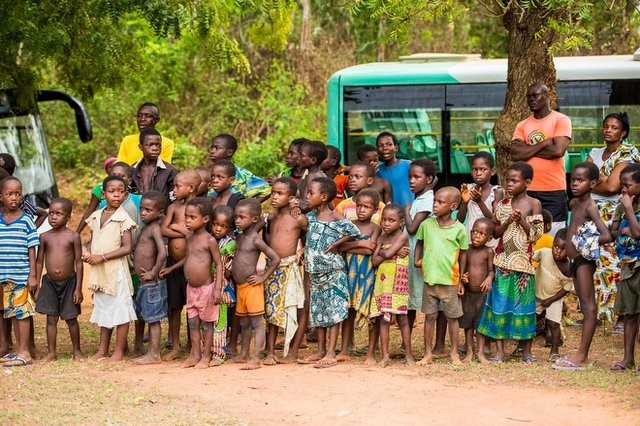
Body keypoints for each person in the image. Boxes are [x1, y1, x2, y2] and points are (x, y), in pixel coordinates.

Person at [476, 162, 543, 364]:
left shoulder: (533, 204)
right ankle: (500, 351)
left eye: (515, 181)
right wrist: (507, 220)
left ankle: (526, 351)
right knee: (500, 305)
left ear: (527, 182)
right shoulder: (504, 204)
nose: (510, 184)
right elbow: (495, 232)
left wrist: (521, 220)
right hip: (503, 263)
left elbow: (536, 235)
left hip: (523, 265)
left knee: (524, 307)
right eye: (508, 180)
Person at [552, 162, 612, 371]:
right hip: (575, 261)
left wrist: (585, 243)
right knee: (584, 306)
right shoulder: (575, 203)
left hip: (584, 261)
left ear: (593, 183)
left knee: (588, 307)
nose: (575, 184)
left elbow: (607, 235)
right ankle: (580, 354)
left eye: (581, 180)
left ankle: (581, 357)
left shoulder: (590, 206)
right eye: (573, 180)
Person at [299, 177, 360, 368]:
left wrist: (336, 244)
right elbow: (299, 221)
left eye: (311, 193)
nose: (307, 197)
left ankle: (331, 352)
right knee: (319, 312)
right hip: (315, 273)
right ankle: (320, 350)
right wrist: (296, 206)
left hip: (333, 271)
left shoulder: (335, 217)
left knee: (334, 312)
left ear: (324, 196)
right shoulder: (310, 217)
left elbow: (353, 231)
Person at [587, 112, 640, 327]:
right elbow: (583, 178)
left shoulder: (628, 152)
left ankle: (619, 315)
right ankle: (596, 314)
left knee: (613, 262)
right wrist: (601, 180)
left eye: (614, 127)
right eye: (605, 126)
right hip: (591, 210)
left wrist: (597, 180)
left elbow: (612, 187)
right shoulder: (595, 151)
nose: (608, 130)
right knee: (591, 262)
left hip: (616, 212)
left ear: (623, 132)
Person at [161, 197, 224, 369]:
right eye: (186, 217)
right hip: (191, 289)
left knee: (208, 324)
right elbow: (188, 258)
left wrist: (217, 288)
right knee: (193, 323)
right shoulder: (189, 236)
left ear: (204, 219)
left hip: (206, 289)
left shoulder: (209, 240)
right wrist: (172, 268)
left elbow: (218, 264)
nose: (187, 221)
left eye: (191, 217)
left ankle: (206, 355)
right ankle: (194, 354)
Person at [83, 175, 137, 363]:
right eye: (112, 192)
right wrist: (89, 253)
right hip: (100, 272)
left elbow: (127, 247)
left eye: (120, 192)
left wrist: (102, 257)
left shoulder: (124, 218)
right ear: (103, 194)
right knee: (104, 308)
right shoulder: (97, 216)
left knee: (120, 311)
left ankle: (119, 352)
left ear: (125, 194)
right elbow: (95, 240)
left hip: (116, 272)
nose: (116, 195)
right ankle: (102, 350)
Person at [415, 187, 468, 365]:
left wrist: (461, 279)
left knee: (453, 318)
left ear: (453, 206)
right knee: (429, 317)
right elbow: (419, 243)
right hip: (430, 280)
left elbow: (464, 254)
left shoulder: (459, 229)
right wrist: (417, 260)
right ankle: (428, 353)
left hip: (450, 281)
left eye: (440, 202)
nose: (435, 205)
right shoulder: (426, 225)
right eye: (435, 201)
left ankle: (454, 353)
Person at [511, 83, 572, 234]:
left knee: (554, 236)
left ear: (547, 96)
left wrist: (527, 149)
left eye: (535, 95)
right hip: (527, 190)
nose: (531, 99)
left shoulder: (561, 120)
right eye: (528, 97)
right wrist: (544, 143)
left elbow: (558, 150)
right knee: (525, 235)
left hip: (554, 190)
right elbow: (516, 155)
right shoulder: (522, 125)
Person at [230, 199, 281, 370]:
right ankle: (244, 354)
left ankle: (256, 357)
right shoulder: (240, 237)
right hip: (241, 288)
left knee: (257, 323)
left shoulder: (255, 239)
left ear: (254, 219)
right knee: (244, 323)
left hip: (252, 287)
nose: (237, 220)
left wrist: (263, 277)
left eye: (241, 217)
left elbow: (275, 258)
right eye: (236, 217)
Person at [263, 178, 308, 364]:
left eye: (280, 194)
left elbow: (309, 234)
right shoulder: (271, 218)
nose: (274, 196)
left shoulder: (298, 218)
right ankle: (270, 352)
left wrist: (303, 249)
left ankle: (293, 351)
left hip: (289, 268)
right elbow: (267, 241)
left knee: (293, 307)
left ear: (291, 198)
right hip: (272, 269)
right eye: (273, 192)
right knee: (271, 310)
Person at [34, 198, 84, 362]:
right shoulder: (44, 237)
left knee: (71, 318)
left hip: (69, 283)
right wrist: (38, 283)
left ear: (68, 217)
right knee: (51, 318)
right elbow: (40, 261)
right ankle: (51, 353)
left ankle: (77, 351)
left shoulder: (73, 237)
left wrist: (78, 288)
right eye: (51, 213)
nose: (53, 217)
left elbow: (78, 263)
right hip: (49, 282)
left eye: (59, 214)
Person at [161, 170, 202, 360]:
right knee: (175, 305)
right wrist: (183, 231)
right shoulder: (173, 207)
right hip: (173, 263)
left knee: (194, 305)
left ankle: (193, 345)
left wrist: (178, 229)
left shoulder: (200, 208)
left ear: (191, 188)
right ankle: (175, 345)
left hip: (193, 264)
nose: (174, 189)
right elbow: (164, 228)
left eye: (177, 186)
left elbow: (198, 232)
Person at [337, 188, 381, 362]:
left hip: (367, 273)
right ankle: (345, 348)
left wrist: (353, 244)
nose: (362, 210)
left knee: (371, 312)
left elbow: (372, 251)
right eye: (359, 206)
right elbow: (339, 247)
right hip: (348, 272)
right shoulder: (349, 225)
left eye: (367, 207)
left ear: (375, 210)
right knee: (348, 311)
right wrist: (361, 243)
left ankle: (370, 352)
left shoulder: (376, 228)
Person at [0, 177, 39, 367]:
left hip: (21, 275)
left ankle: (25, 352)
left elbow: (32, 248)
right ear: (1, 197)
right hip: (4, 276)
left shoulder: (26, 221)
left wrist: (32, 275)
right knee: (12, 313)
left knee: (22, 314)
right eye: (9, 194)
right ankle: (17, 351)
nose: (14, 197)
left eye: (17, 194)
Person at [369, 204, 413, 367]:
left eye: (391, 220)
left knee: (402, 320)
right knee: (383, 320)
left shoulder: (402, 237)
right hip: (383, 285)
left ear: (401, 222)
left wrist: (384, 252)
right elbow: (374, 262)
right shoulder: (381, 238)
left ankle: (408, 355)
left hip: (398, 285)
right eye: (384, 220)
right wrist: (391, 251)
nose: (386, 223)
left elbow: (384, 254)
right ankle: (385, 356)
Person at [609, 163, 640, 371]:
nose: (623, 190)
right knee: (629, 314)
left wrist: (629, 209)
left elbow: (637, 234)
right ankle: (628, 359)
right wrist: (625, 229)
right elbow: (614, 231)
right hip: (627, 266)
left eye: (628, 185)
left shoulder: (626, 206)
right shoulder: (621, 206)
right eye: (622, 186)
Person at [131, 191, 168, 365]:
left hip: (152, 283)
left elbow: (162, 252)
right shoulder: (145, 228)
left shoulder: (154, 229)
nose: (143, 213)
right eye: (142, 209)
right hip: (144, 283)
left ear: (159, 213)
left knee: (153, 320)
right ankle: (149, 351)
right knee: (146, 316)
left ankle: (154, 354)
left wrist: (153, 272)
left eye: (148, 210)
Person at [403, 158, 437, 334]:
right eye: (410, 177)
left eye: (417, 177)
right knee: (410, 298)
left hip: (419, 255)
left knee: (424, 298)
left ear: (429, 179)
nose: (411, 181)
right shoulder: (420, 198)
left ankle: (434, 343)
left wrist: (406, 212)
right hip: (412, 254)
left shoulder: (427, 200)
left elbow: (412, 227)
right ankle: (405, 341)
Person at [532, 228, 572, 363]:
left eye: (563, 249)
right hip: (535, 294)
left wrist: (551, 300)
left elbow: (567, 288)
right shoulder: (544, 253)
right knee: (529, 320)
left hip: (554, 298)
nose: (558, 251)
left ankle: (554, 350)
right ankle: (522, 347)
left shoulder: (568, 268)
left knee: (553, 324)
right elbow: (530, 257)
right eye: (556, 246)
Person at [459, 218, 494, 363]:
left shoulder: (488, 251)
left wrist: (489, 278)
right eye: (474, 232)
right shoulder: (466, 251)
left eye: (482, 233)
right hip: (468, 294)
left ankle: (480, 353)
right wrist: (464, 279)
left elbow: (492, 271)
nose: (476, 236)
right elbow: (462, 273)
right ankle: (469, 352)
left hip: (482, 295)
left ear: (489, 238)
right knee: (467, 325)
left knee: (480, 325)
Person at [209, 205, 236, 366]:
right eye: (216, 224)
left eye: (223, 226)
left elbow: (231, 269)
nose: (218, 229)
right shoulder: (207, 239)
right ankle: (205, 350)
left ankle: (218, 353)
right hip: (206, 287)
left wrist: (227, 270)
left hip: (223, 288)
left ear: (229, 227)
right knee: (205, 321)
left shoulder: (230, 244)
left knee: (220, 323)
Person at [458, 151, 504, 247]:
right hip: (470, 240)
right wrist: (464, 203)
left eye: (483, 169)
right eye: (474, 169)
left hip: (489, 243)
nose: (478, 173)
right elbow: (460, 219)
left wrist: (479, 202)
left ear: (492, 171)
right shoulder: (468, 189)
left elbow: (495, 220)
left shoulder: (496, 191)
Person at [208, 133, 271, 201]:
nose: (212, 151)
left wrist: (250, 206)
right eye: (212, 147)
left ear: (229, 152)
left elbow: (266, 190)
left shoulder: (242, 174)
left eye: (217, 148)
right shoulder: (208, 174)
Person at [130, 127, 178, 206]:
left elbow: (175, 200)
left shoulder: (170, 171)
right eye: (150, 145)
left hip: (162, 216)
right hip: (136, 215)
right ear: (140, 147)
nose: (155, 148)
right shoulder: (132, 170)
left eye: (158, 145)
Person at [376, 132, 412, 206]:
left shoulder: (409, 165)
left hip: (411, 213)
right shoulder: (377, 171)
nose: (385, 148)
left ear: (396, 148)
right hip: (391, 215)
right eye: (381, 145)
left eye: (389, 144)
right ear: (377, 150)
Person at [296, 140, 328, 212]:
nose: (298, 158)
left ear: (313, 160)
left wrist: (290, 200)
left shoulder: (312, 177)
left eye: (302, 155)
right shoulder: (322, 175)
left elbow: (304, 205)